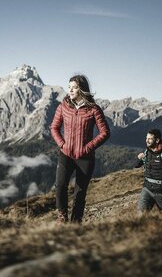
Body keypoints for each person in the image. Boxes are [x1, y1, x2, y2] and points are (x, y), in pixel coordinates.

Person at [50, 74, 110, 224]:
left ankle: (75, 223)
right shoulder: (63, 106)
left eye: (74, 87)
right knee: (60, 185)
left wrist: (88, 147)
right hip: (66, 154)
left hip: (85, 157)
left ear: (82, 89)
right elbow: (54, 128)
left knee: (80, 192)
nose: (70, 90)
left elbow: (105, 132)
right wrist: (62, 144)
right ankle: (62, 217)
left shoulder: (93, 109)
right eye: (69, 87)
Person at [135, 129, 162, 212]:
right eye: (146, 138)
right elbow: (136, 165)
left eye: (150, 139)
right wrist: (139, 158)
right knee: (140, 217)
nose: (147, 141)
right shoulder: (147, 152)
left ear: (157, 140)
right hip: (147, 190)